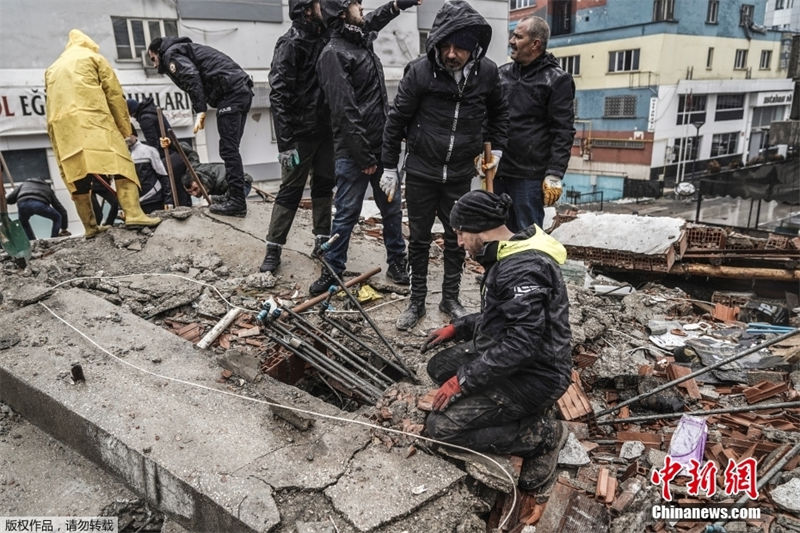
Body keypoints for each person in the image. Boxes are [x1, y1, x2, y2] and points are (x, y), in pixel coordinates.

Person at [422, 190, 572, 492]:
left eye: (461, 234)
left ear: (480, 227)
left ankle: (543, 435)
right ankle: (508, 408)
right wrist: (459, 328)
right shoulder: (507, 256)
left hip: (536, 376)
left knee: (439, 429)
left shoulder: (522, 269)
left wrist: (463, 381)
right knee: (439, 367)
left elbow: (521, 344)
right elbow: (502, 318)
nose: (460, 243)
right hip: (514, 362)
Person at [381, 0, 508, 330]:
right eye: (445, 46)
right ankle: (416, 301)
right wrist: (389, 166)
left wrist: (498, 151)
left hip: (459, 173)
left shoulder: (488, 73)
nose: (451, 54)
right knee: (420, 239)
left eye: (460, 48)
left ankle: (450, 298)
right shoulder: (420, 71)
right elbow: (396, 121)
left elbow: (499, 113)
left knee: (456, 239)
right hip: (422, 170)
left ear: (474, 48)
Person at [308, 0, 419, 295]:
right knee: (345, 213)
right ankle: (332, 269)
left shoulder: (359, 39)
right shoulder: (333, 54)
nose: (362, 8)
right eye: (356, 4)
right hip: (355, 152)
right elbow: (344, 110)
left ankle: (397, 263)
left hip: (381, 147)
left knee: (392, 210)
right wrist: (365, 155)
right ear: (342, 12)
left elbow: (375, 20)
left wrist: (399, 5)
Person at [45, 29, 161, 238]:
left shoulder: (52, 69)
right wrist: (125, 129)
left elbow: (49, 106)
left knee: (77, 173)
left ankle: (90, 227)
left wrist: (54, 137)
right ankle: (134, 213)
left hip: (64, 128)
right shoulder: (93, 58)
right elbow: (115, 95)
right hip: (92, 118)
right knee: (121, 164)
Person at [260, 0, 335, 274]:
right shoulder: (290, 43)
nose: (324, 7)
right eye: (318, 3)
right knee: (290, 190)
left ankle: (322, 242)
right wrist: (286, 143)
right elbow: (278, 94)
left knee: (324, 186)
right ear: (306, 9)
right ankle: (273, 248)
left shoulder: (326, 35)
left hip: (325, 131)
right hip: (300, 134)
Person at [147, 36, 253, 217]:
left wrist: (200, 110)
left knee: (228, 150)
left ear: (158, 52)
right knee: (230, 148)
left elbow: (191, 76)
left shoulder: (171, 54)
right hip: (240, 90)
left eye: (153, 59)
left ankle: (237, 201)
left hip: (231, 92)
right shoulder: (184, 49)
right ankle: (233, 197)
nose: (154, 65)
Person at [494, 15, 575, 232]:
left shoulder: (557, 80)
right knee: (498, 235)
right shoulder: (501, 75)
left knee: (527, 236)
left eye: (518, 37)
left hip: (528, 177)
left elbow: (563, 130)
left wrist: (555, 173)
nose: (511, 41)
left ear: (535, 44)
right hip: (498, 170)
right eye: (512, 35)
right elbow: (490, 118)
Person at [127, 97, 191, 207]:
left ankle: (174, 207)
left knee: (164, 179)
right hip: (176, 154)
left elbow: (154, 145)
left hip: (168, 156)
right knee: (179, 187)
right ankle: (184, 206)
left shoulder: (145, 119)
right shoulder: (151, 110)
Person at [180, 142, 253, 201]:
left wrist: (215, 199)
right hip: (224, 181)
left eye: (195, 189)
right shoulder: (193, 168)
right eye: (190, 192)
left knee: (231, 202)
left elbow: (230, 197)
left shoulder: (221, 182)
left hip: (243, 182)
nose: (194, 194)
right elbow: (190, 152)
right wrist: (171, 144)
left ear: (201, 181)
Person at [127, 127, 173, 214]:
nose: (125, 138)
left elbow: (163, 175)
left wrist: (168, 200)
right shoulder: (122, 154)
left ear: (134, 134)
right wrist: (120, 207)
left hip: (153, 199)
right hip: (133, 202)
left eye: (127, 134)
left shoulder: (149, 151)